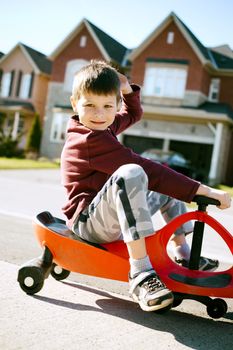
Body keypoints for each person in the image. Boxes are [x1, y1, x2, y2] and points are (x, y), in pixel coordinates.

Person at [61, 60, 231, 312]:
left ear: (116, 105)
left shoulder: (102, 126)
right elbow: (146, 169)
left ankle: (183, 252)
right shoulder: (87, 139)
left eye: (108, 106)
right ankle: (140, 273)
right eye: (89, 105)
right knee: (134, 172)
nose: (99, 114)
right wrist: (201, 190)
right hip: (88, 222)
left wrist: (126, 87)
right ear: (75, 104)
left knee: (164, 186)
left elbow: (133, 114)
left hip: (108, 215)